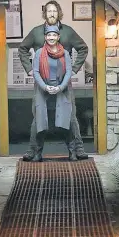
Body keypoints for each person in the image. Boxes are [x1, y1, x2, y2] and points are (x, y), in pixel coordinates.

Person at [19, 0, 89, 161]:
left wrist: (74, 69)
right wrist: (30, 69)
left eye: (54, 11)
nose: (51, 14)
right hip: (41, 81)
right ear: (45, 13)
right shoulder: (36, 32)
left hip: (63, 81)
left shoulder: (68, 32)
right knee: (39, 116)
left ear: (59, 13)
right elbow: (22, 48)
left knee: (70, 116)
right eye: (49, 11)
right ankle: (33, 151)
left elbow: (83, 48)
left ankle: (77, 149)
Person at [29, 25, 74, 161]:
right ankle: (38, 153)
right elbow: (36, 72)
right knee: (40, 122)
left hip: (61, 90)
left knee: (67, 121)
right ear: (45, 37)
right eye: (49, 35)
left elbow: (68, 72)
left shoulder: (65, 53)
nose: (51, 37)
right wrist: (44, 87)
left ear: (58, 37)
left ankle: (72, 152)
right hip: (43, 91)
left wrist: (60, 87)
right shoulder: (39, 53)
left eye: (54, 35)